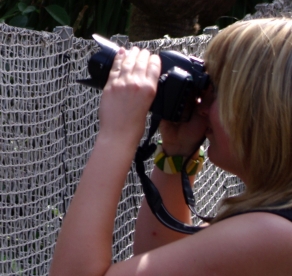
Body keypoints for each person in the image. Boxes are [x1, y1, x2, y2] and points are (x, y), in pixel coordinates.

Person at [49, 18, 292, 276]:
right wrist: (177, 154)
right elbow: (156, 260)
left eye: (217, 91)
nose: (201, 107)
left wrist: (117, 134)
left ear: (263, 110)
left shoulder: (269, 235)